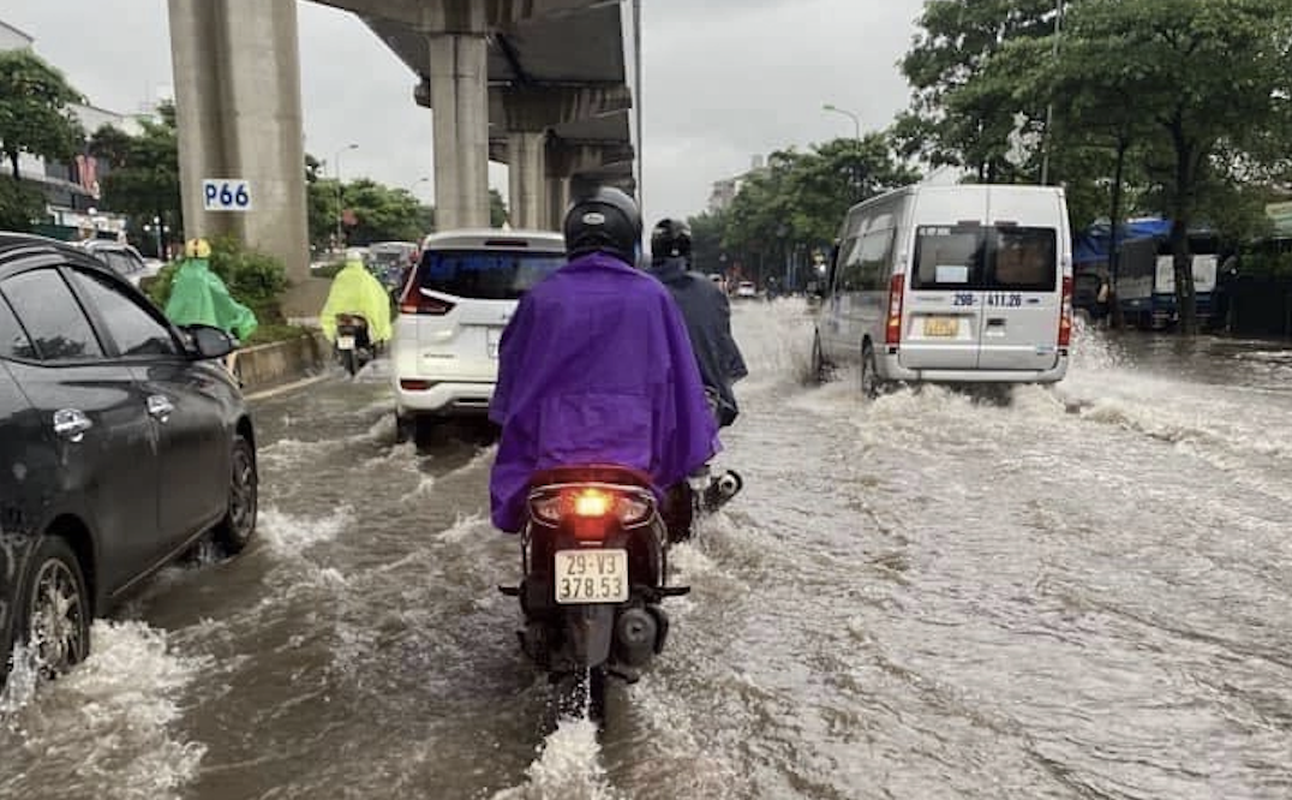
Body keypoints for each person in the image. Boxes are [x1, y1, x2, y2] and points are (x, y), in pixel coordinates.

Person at [488, 187, 719, 539]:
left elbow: (509, 391)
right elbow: (683, 385)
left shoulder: (541, 297)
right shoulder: (652, 296)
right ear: (629, 236)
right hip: (636, 461)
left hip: (553, 463)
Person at [648, 218, 748, 429]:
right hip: (704, 407)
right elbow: (726, 358)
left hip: (648, 408)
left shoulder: (636, 288)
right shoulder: (711, 291)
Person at [164, 237, 257, 376]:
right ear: (207, 256)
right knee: (232, 342)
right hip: (208, 332)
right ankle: (230, 376)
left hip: (180, 331)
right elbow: (225, 303)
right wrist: (241, 313)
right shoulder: (209, 279)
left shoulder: (178, 278)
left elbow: (172, 304)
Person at [318, 248, 393, 352]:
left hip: (341, 315)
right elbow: (380, 297)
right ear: (361, 261)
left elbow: (334, 297)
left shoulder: (341, 276)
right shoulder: (366, 277)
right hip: (363, 317)